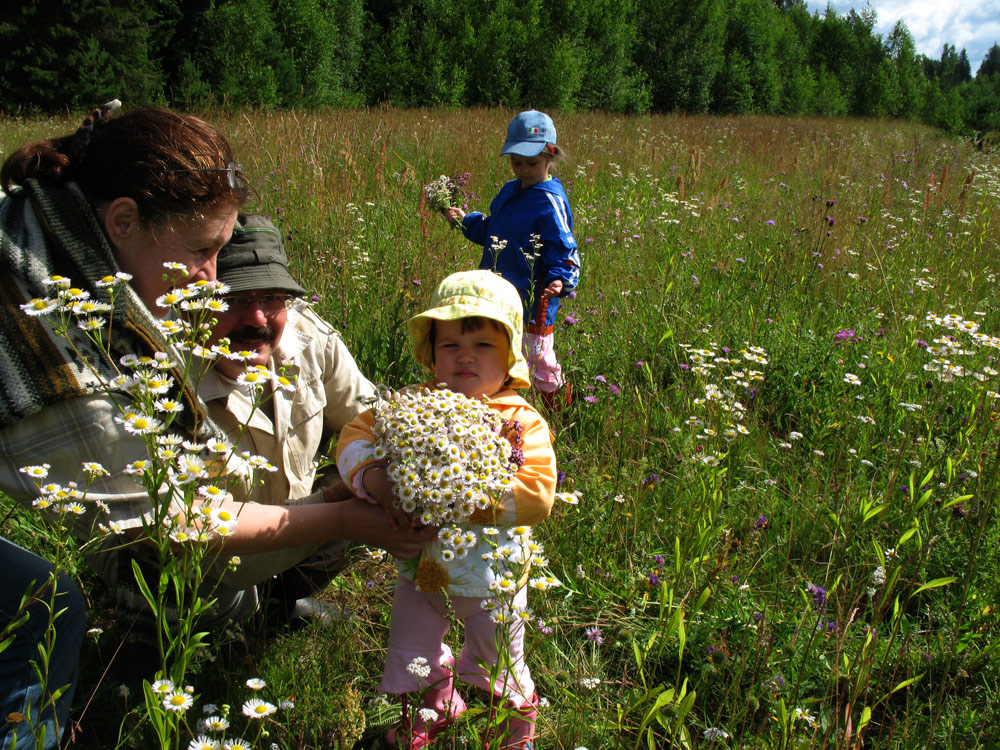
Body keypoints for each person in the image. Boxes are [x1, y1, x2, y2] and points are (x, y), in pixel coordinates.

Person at [0, 102, 427, 712]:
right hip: (194, 558)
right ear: (122, 221)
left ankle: (270, 608)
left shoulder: (66, 257)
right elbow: (177, 525)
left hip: (250, 538)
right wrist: (343, 517)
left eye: (220, 254)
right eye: (203, 252)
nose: (208, 279)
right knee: (44, 612)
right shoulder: (60, 350)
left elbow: (366, 410)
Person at [337, 270, 557, 749]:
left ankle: (515, 728)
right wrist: (377, 480)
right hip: (423, 565)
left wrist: (456, 503)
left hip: (493, 574)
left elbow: (538, 493)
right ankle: (431, 707)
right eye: (449, 344)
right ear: (430, 353)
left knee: (498, 652)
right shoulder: (413, 403)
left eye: (482, 344)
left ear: (510, 356)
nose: (464, 356)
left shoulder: (520, 420)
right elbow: (354, 436)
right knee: (413, 643)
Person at [197, 214, 377, 620]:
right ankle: (193, 626)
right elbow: (184, 528)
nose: (258, 319)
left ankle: (280, 604)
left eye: (272, 298)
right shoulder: (166, 379)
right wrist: (337, 507)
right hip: (205, 554)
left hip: (296, 526)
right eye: (236, 300)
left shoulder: (309, 339)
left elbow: (372, 419)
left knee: (381, 476)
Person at [444, 110, 580, 410]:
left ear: (550, 156)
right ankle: (501, 409)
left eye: (532, 163)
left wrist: (561, 280)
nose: (524, 170)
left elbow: (565, 248)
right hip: (497, 295)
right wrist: (465, 222)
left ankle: (559, 412)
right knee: (496, 351)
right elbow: (494, 230)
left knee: (538, 358)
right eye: (516, 162)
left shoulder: (550, 199)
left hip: (535, 300)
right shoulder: (510, 190)